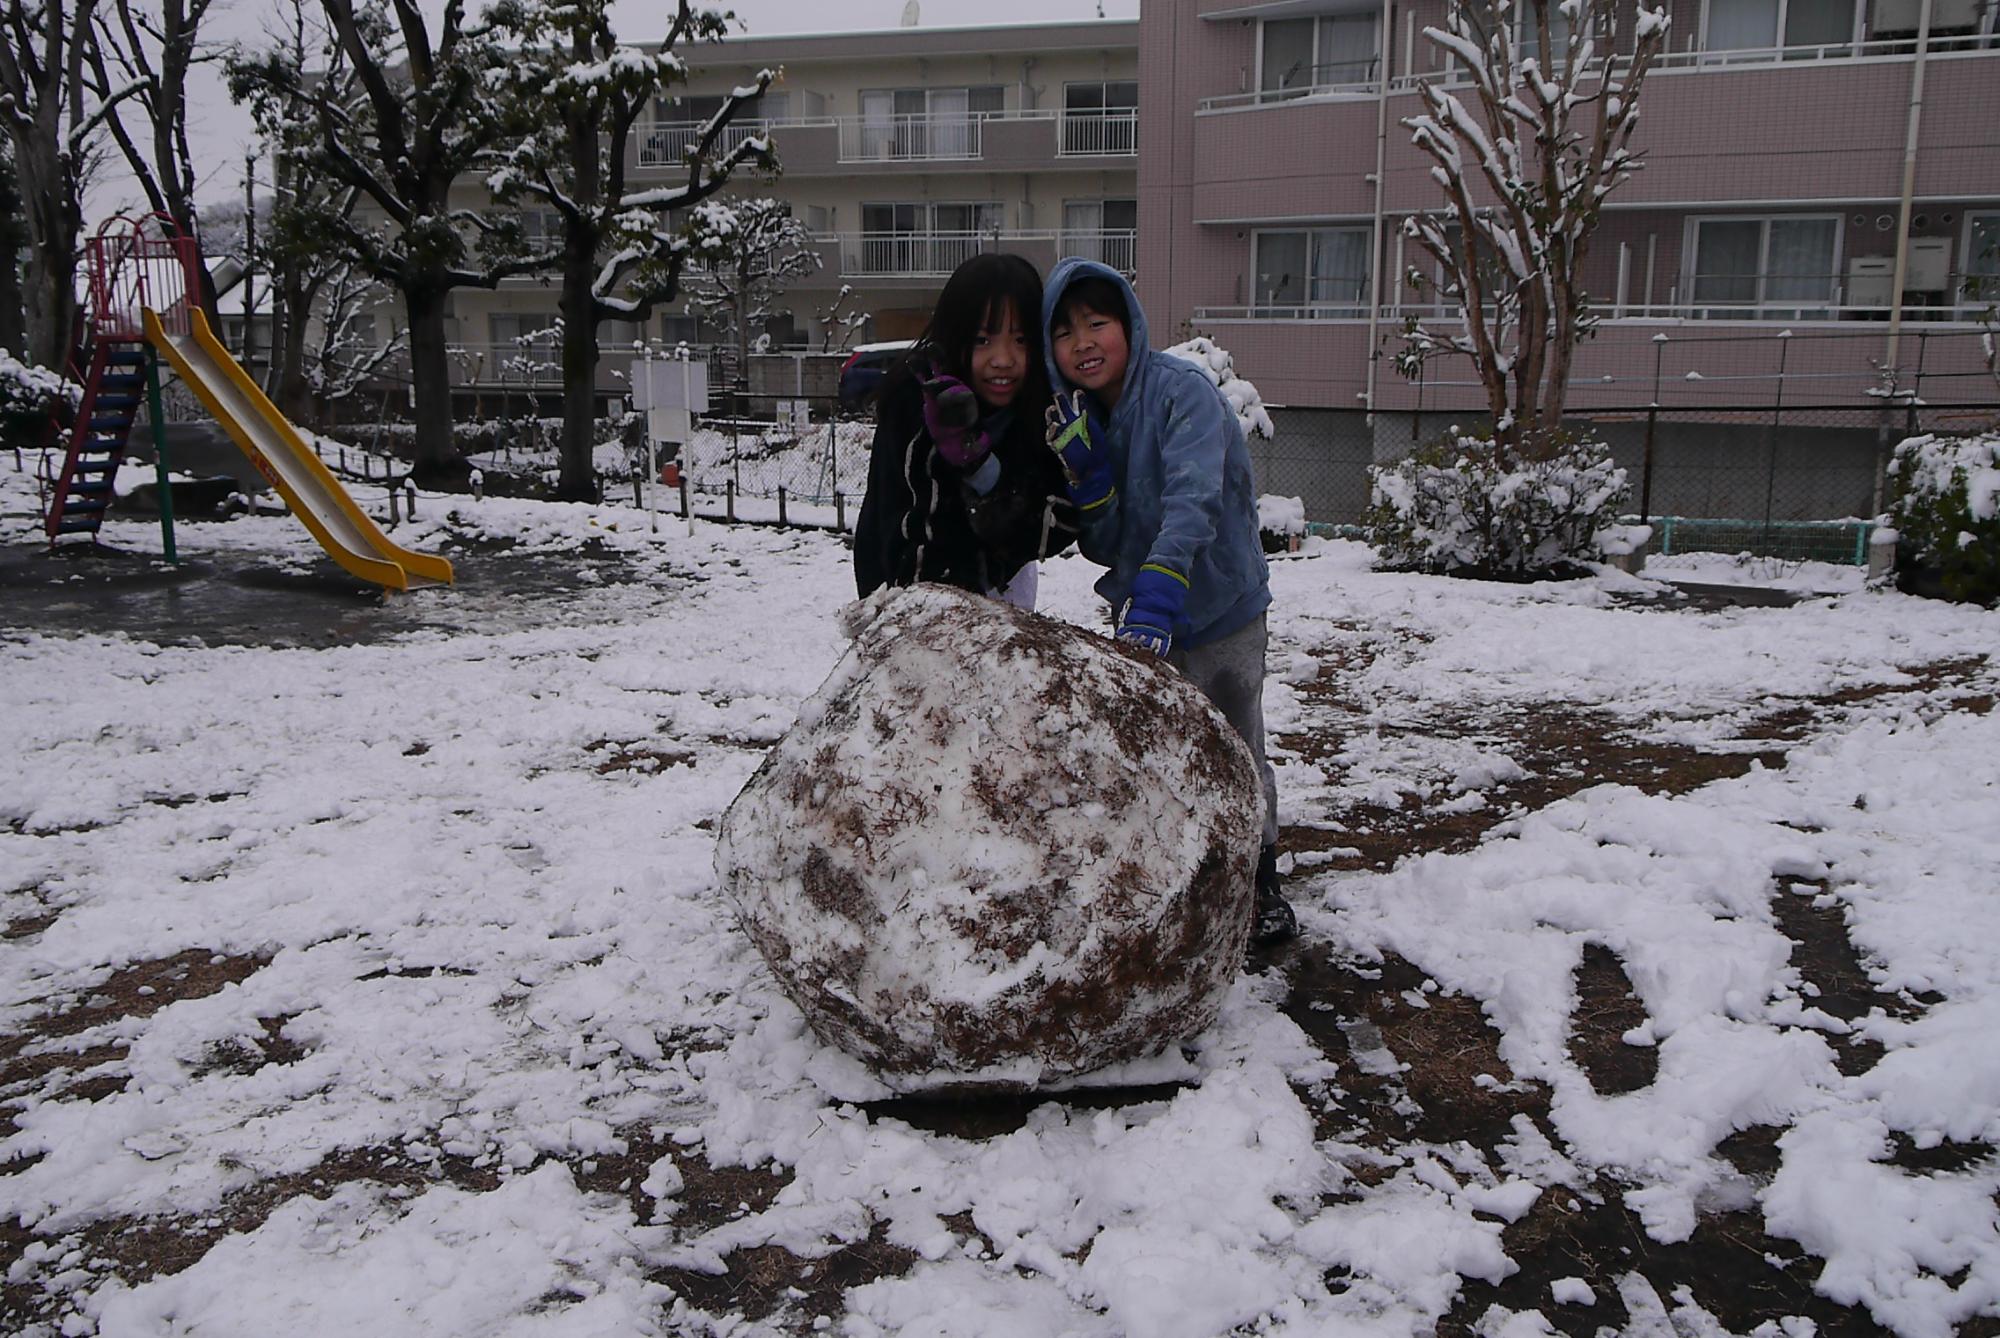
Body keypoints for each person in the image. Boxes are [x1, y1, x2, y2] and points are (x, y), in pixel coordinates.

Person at [1039, 257, 1297, 949]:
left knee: (1238, 743)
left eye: (1099, 323)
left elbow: (1193, 503)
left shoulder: (1183, 393)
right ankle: (1181, 874)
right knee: (1162, 754)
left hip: (1223, 605)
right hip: (1148, 622)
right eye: (1065, 333)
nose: (1083, 342)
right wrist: (1091, 479)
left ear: (1130, 323)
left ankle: (1259, 874)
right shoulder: (1084, 419)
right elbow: (1106, 543)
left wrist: (1155, 596)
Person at [853, 254, 1077, 606]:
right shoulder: (918, 399)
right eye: (982, 340)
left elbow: (1046, 530)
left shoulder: (1042, 409)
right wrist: (888, 611)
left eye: (1020, 340)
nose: (1003, 359)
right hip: (909, 593)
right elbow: (888, 521)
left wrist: (979, 465)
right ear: (954, 336)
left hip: (1003, 587)